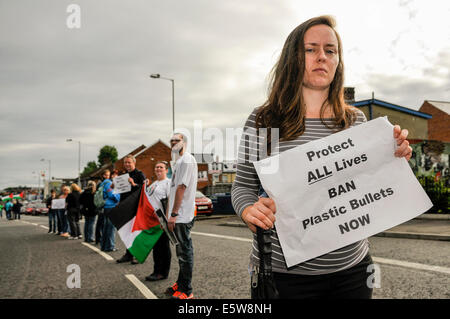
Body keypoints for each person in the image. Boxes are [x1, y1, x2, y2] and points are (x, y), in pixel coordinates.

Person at [231, 15, 413, 300]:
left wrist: (395, 156)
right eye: (310, 49)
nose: (322, 57)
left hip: (353, 272)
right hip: (284, 277)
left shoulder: (355, 120)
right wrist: (248, 211)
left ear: (338, 61)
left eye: (330, 50)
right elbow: (241, 187)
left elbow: (367, 183)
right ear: (293, 57)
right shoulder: (263, 120)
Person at [166, 133, 198, 299]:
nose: (173, 142)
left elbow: (181, 188)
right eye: (171, 140)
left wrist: (174, 214)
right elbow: (172, 189)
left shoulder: (186, 160)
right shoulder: (178, 161)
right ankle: (181, 283)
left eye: (176, 140)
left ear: (184, 142)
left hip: (182, 215)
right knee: (181, 252)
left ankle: (187, 290)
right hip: (177, 215)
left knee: (185, 253)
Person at [144, 161, 172, 282]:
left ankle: (162, 272)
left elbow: (170, 201)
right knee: (156, 247)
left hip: (162, 220)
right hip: (152, 220)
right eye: (157, 167)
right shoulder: (154, 184)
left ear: (166, 170)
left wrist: (166, 219)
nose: (158, 169)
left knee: (163, 247)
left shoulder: (168, 183)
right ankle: (157, 270)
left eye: (161, 167)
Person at [116, 155, 146, 264]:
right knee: (127, 232)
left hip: (136, 206)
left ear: (134, 162)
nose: (127, 164)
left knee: (136, 232)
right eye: (125, 162)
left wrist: (134, 184)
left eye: (129, 162)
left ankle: (138, 255)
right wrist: (114, 187)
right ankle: (128, 254)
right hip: (126, 207)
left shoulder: (140, 174)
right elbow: (122, 193)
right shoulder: (124, 176)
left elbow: (144, 190)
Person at [100, 170, 120, 252]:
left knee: (106, 227)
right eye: (115, 175)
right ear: (111, 176)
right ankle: (110, 246)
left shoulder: (104, 183)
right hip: (110, 206)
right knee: (110, 228)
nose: (117, 177)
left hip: (107, 207)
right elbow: (112, 195)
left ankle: (104, 246)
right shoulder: (108, 183)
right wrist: (119, 198)